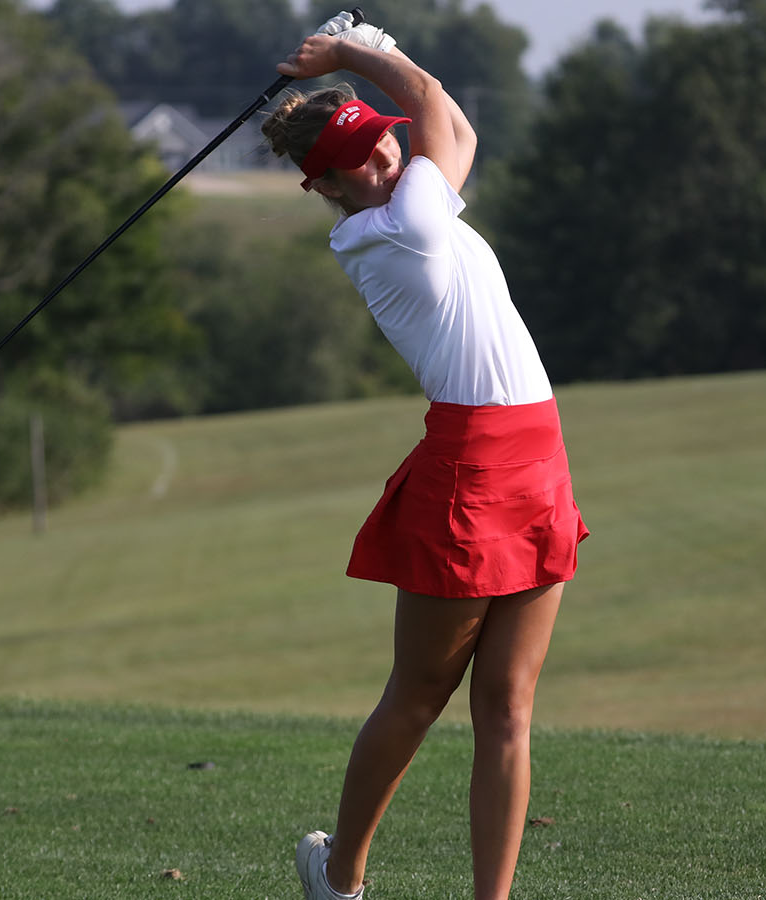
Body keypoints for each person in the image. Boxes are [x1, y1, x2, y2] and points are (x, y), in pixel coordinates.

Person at [261, 14, 589, 900]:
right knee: (418, 697)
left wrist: (369, 52)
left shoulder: (410, 200)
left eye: (381, 142)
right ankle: (341, 875)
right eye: (359, 158)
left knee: (509, 710)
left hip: (534, 454)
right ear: (324, 184)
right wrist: (361, 51)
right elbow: (439, 107)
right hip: (473, 470)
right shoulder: (395, 229)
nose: (384, 159)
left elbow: (453, 131)